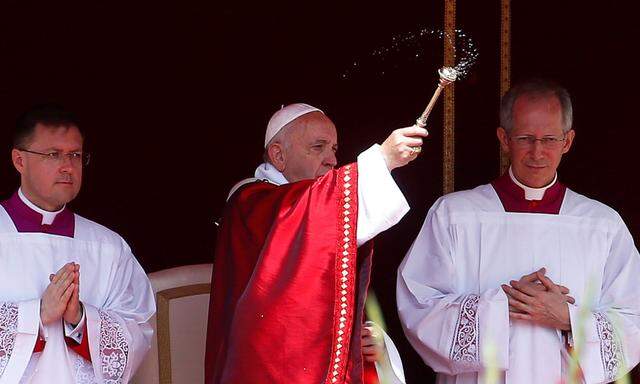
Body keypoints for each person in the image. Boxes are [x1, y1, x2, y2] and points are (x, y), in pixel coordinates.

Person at [397, 79, 640, 383]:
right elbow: (420, 306)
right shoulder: (455, 215)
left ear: (567, 141)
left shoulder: (602, 224)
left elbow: (632, 322)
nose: (537, 152)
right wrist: (503, 308)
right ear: (504, 138)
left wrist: (568, 319)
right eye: (525, 138)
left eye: (550, 139)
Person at [205, 103, 424, 383]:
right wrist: (382, 159)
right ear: (278, 155)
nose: (332, 160)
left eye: (333, 148)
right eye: (318, 147)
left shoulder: (307, 203)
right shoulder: (251, 203)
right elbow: (303, 212)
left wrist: (363, 341)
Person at [0, 105, 155, 383]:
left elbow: (137, 334)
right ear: (19, 160)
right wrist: (36, 316)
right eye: (53, 154)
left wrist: (82, 320)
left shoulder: (108, 247)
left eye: (75, 155)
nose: (67, 166)